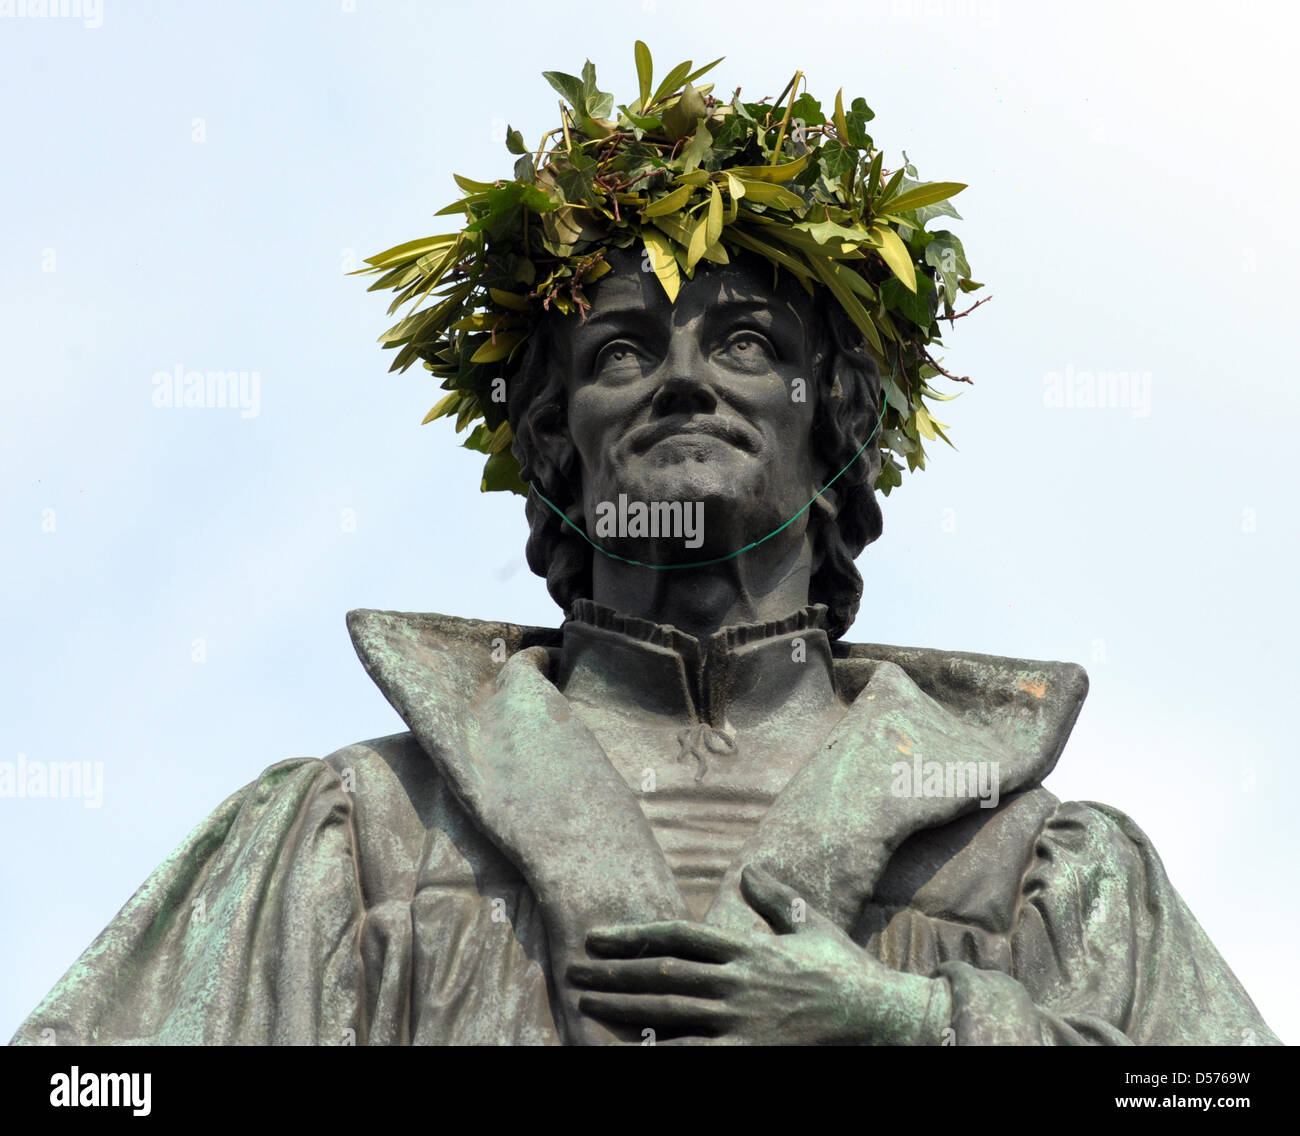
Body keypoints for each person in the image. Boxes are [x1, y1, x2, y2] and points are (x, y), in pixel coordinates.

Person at [11, 246, 1281, 1045]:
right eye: (622, 349)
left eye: (745, 344)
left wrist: (902, 1023)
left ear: (831, 435)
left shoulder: (1033, 858)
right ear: (556, 447)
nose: (683, 380)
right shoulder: (348, 834)